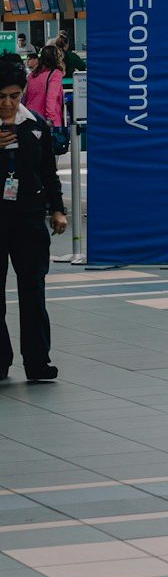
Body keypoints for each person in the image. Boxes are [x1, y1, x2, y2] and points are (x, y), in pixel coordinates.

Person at [0, 54, 66, 383]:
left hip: (28, 218)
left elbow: (47, 172)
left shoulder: (36, 125)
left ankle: (38, 361)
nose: (8, 103)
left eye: (14, 96)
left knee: (33, 292)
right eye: (0, 97)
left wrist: (57, 209)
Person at [23, 45, 64, 147]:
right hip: (45, 121)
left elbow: (24, 97)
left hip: (30, 119)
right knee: (49, 156)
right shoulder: (55, 73)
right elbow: (51, 97)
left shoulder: (32, 75)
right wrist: (50, 118)